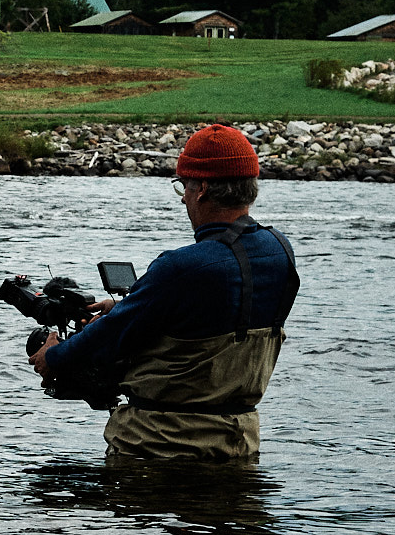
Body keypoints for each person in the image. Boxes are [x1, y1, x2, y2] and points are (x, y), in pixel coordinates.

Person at [32, 123, 300, 464]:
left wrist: (53, 356)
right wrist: (127, 304)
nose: (184, 198)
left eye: (184, 187)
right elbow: (217, 315)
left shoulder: (182, 266)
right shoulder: (279, 251)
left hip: (160, 446)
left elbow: (109, 336)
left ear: (202, 189)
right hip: (238, 442)